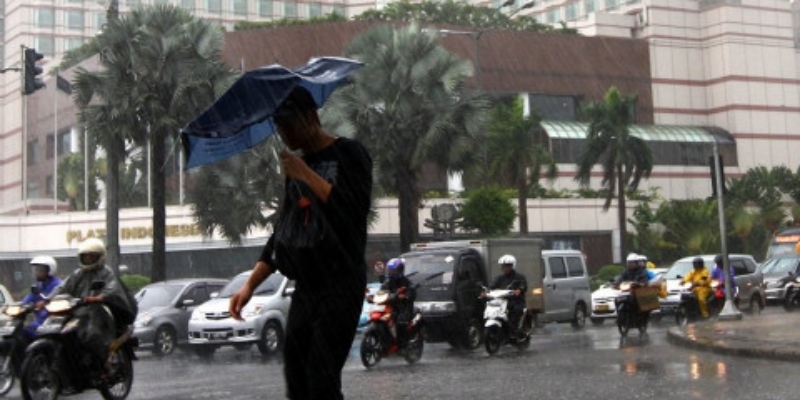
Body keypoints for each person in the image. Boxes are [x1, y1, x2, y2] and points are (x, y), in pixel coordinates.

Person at [228, 86, 373, 400]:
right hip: (307, 285)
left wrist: (305, 173)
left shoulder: (350, 153)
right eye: (280, 127)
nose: (285, 134)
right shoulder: (295, 169)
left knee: (322, 377)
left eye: (290, 124)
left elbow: (353, 211)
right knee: (295, 375)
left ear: (312, 117)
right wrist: (249, 285)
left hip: (342, 282)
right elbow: (284, 231)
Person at [50, 238, 137, 375]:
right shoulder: (78, 274)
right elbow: (63, 287)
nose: (88, 259)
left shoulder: (106, 272)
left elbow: (112, 287)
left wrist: (100, 297)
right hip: (78, 311)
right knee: (62, 332)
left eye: (91, 257)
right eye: (85, 257)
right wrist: (48, 299)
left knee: (92, 335)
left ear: (100, 257)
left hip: (99, 312)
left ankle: (99, 365)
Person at [372, 258, 415, 350]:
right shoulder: (387, 281)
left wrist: (405, 296)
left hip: (403, 308)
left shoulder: (406, 282)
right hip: (390, 307)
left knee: (400, 322)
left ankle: (402, 345)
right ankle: (386, 341)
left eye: (394, 270)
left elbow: (411, 293)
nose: (392, 272)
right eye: (390, 270)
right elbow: (382, 291)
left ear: (400, 270)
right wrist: (372, 297)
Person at [486, 254, 527, 338]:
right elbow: (492, 286)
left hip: (516, 302)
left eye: (507, 266)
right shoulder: (499, 278)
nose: (505, 268)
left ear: (512, 266)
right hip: (502, 302)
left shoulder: (519, 277)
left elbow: (523, 285)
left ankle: (515, 332)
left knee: (514, 315)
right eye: (503, 266)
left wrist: (519, 290)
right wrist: (486, 292)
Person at [21, 256, 62, 339]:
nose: (36, 272)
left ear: (50, 270)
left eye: (40, 270)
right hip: (40, 321)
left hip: (53, 320)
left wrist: (46, 302)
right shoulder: (38, 286)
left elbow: (61, 297)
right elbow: (27, 299)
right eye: (35, 270)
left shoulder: (58, 284)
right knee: (21, 331)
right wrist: (19, 306)